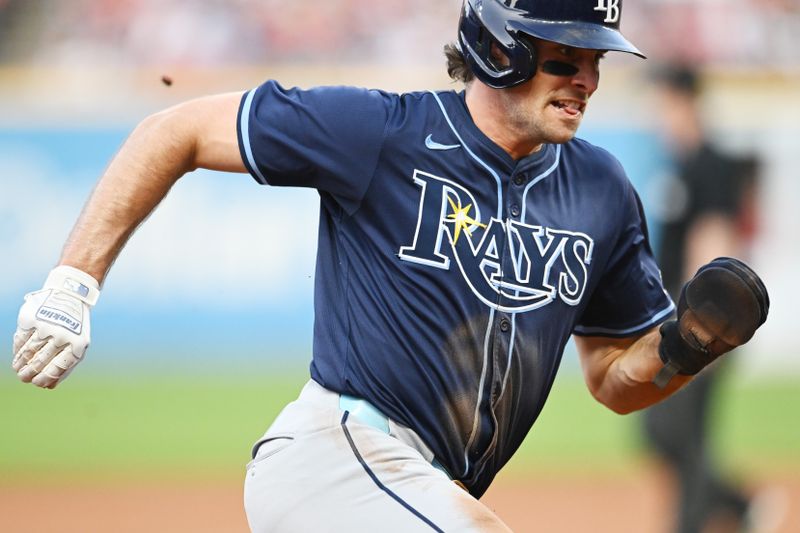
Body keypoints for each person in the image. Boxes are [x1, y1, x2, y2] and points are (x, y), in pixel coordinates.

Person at [10, 1, 769, 531]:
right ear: (499, 44)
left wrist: (686, 346)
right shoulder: (382, 134)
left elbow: (613, 379)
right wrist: (76, 281)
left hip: (423, 492)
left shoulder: (599, 189)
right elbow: (172, 130)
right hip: (335, 457)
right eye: (566, 52)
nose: (589, 78)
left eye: (597, 57)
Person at [642, 64, 762, 533]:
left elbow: (715, 243)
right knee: (666, 431)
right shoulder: (682, 164)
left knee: (681, 431)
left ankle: (695, 523)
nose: (657, 115)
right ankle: (737, 504)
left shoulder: (709, 163)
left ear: (683, 101)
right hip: (674, 311)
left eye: (663, 103)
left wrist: (705, 328)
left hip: (699, 316)